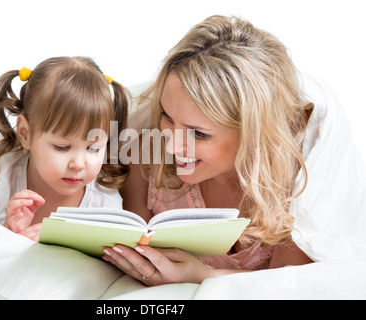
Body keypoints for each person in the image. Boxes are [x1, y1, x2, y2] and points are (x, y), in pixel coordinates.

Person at [103, 15, 315, 285]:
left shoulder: (300, 178)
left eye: (198, 133)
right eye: (167, 116)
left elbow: (293, 285)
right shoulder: (146, 158)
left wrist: (203, 275)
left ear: (254, 133)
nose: (171, 145)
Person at [0, 56, 130, 241]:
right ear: (25, 134)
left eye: (93, 149)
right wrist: (6, 231)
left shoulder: (104, 200)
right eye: (62, 147)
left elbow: (114, 257)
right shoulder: (1, 176)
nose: (79, 164)